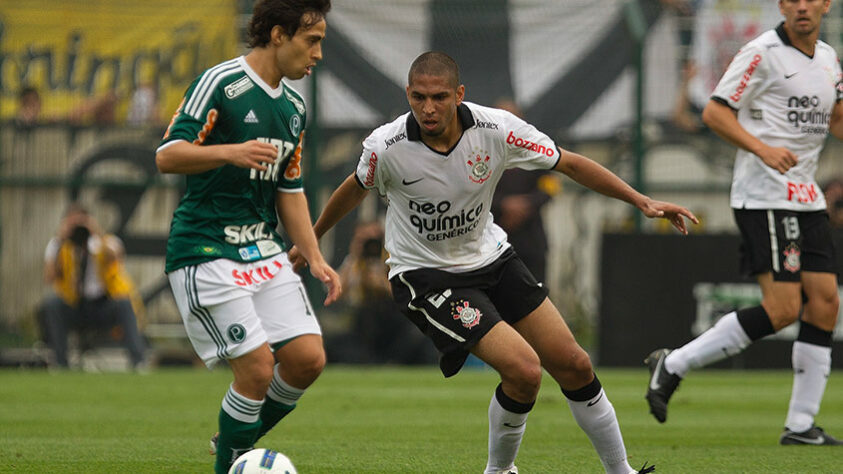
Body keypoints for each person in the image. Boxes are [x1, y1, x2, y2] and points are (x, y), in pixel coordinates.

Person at [291, 51, 697, 473]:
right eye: (419, 97)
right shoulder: (386, 146)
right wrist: (312, 237)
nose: (428, 108)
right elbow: (355, 188)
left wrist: (642, 200)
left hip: (492, 259)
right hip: (426, 277)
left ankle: (621, 472)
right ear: (407, 94)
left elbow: (569, 163)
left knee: (575, 364)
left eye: (439, 97)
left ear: (459, 94)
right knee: (524, 370)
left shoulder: (496, 129)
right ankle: (498, 471)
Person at [645, 0, 843, 446]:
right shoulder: (761, 51)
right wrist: (764, 149)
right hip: (765, 196)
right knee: (784, 309)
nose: (803, 7)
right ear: (783, 6)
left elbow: (836, 120)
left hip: (806, 196)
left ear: (826, 4)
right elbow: (715, 112)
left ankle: (800, 426)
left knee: (826, 302)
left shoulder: (829, 58)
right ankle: (674, 363)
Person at [154, 1, 340, 473]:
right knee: (257, 371)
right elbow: (168, 155)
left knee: (306, 360)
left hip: (262, 249)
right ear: (278, 35)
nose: (318, 53)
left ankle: (234, 443)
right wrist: (230, 152)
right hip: (206, 248)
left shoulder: (294, 108)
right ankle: (232, 463)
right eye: (312, 40)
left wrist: (316, 258)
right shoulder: (221, 83)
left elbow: (290, 191)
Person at [41, 203, 147, 369]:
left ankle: (138, 362)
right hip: (75, 305)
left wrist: (97, 233)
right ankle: (60, 363)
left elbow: (116, 256)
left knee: (125, 304)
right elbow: (49, 277)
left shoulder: (102, 243)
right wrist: (61, 240)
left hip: (102, 305)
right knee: (52, 304)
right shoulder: (58, 246)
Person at [491, 98, 561, 283]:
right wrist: (503, 204)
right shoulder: (481, 152)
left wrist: (526, 204)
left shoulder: (536, 150)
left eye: (512, 119)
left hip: (531, 241)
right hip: (493, 243)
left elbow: (550, 186)